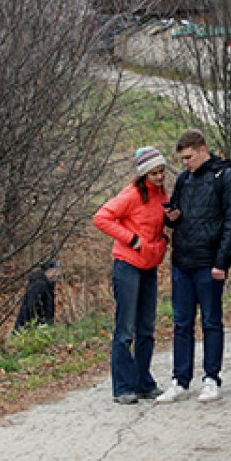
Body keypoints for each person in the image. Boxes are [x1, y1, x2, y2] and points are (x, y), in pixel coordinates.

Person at [156, 129, 231, 403]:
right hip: (182, 260)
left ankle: (211, 378)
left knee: (210, 321)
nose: (185, 163)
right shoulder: (183, 179)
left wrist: (223, 260)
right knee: (181, 322)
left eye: (189, 157)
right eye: (182, 158)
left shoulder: (227, 177)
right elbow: (176, 216)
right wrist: (171, 217)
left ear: (203, 150)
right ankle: (180, 379)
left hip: (209, 262)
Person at [93, 147, 171, 404]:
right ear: (144, 173)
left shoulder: (162, 195)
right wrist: (132, 239)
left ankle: (143, 382)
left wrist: (166, 233)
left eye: (161, 172)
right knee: (125, 328)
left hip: (149, 266)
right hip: (127, 265)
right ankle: (123, 386)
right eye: (154, 173)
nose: (159, 177)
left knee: (146, 328)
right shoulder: (131, 195)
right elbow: (102, 217)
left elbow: (158, 223)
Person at [14, 259, 60, 331]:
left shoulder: (48, 283)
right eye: (55, 271)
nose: (57, 274)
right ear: (48, 271)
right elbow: (32, 306)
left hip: (39, 325)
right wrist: (39, 323)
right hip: (30, 326)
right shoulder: (39, 284)